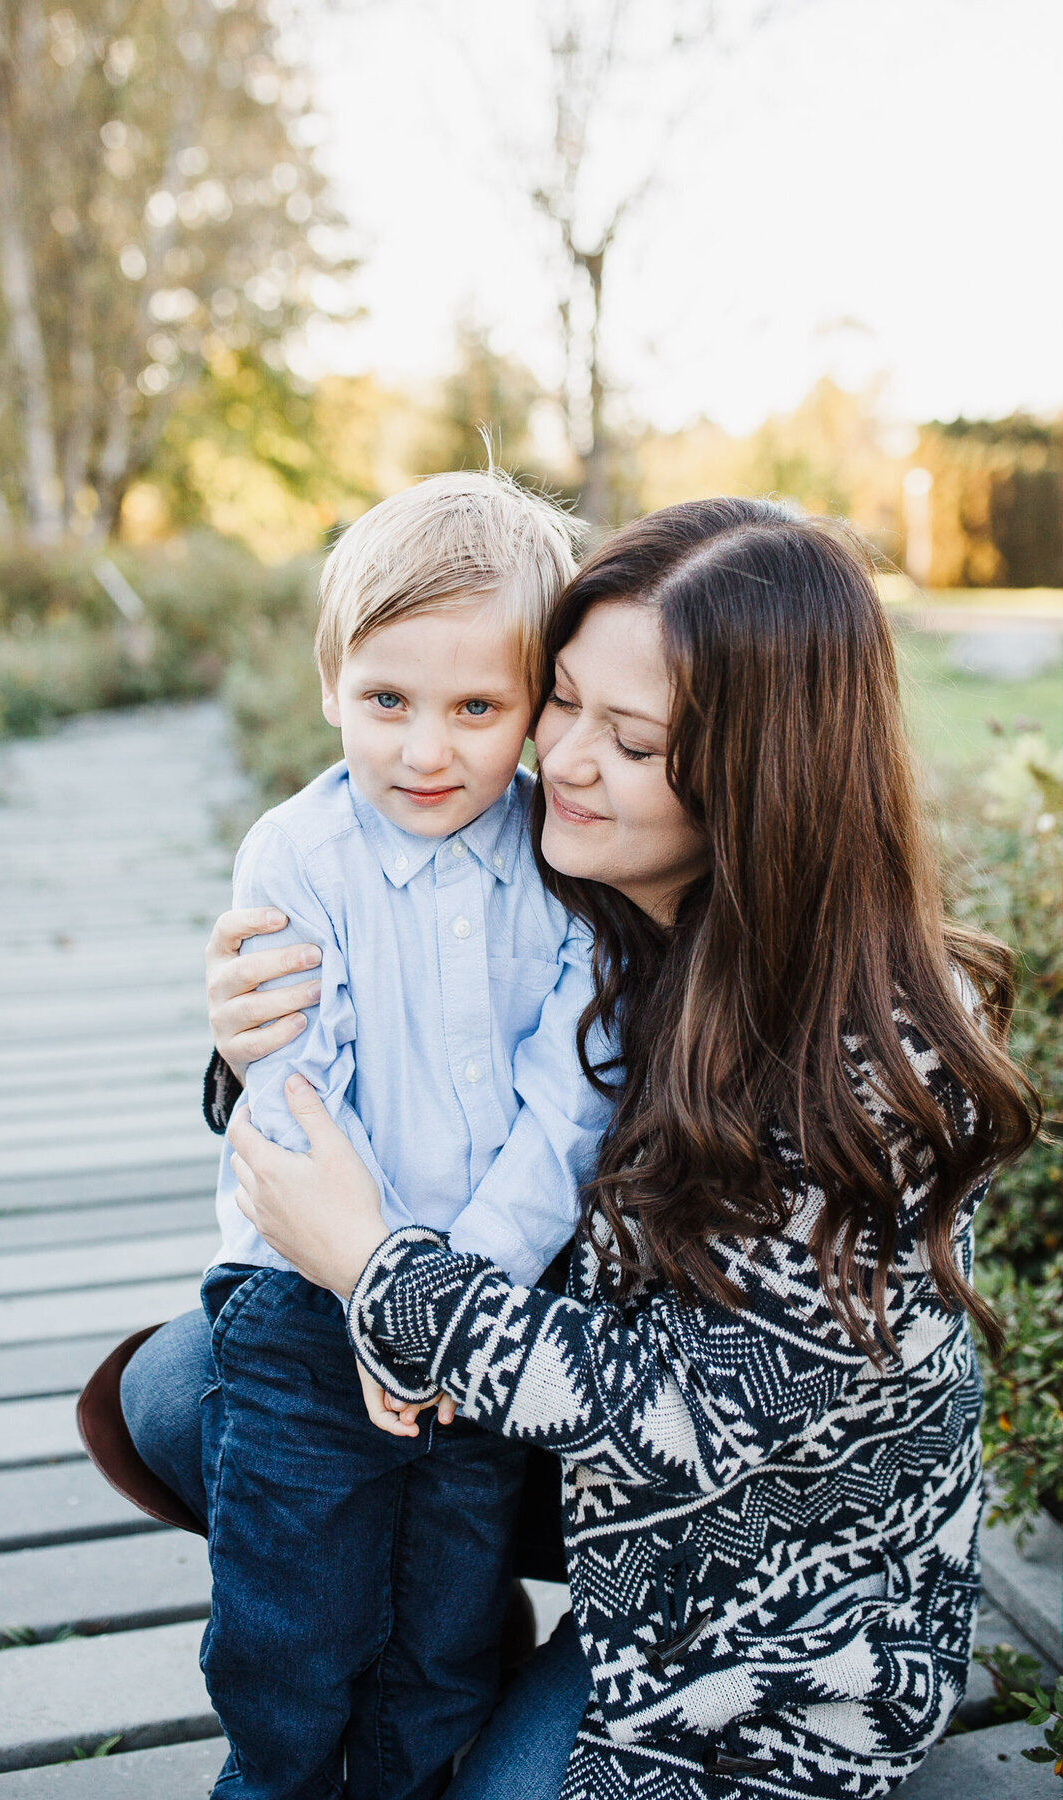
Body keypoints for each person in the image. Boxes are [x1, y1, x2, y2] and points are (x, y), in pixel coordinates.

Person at [203, 498, 1037, 1798]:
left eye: (630, 737)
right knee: (203, 1383)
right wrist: (256, 1049)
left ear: (763, 779)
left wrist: (380, 1273)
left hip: (766, 1595)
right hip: (578, 1455)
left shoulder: (858, 1057)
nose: (564, 759)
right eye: (562, 700)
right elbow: (426, 1059)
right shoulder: (577, 882)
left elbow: (687, 1420)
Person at [126, 469, 616, 1800]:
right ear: (331, 679)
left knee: (445, 1610)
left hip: (485, 1304)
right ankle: (277, 1779)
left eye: (478, 708)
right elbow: (288, 1082)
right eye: (386, 700)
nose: (426, 750)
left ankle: (410, 1768)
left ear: (537, 710)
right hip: (301, 1301)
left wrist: (454, 1299)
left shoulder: (564, 865)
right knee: (293, 1605)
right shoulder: (296, 857)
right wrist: (372, 1290)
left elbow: (567, 1105)